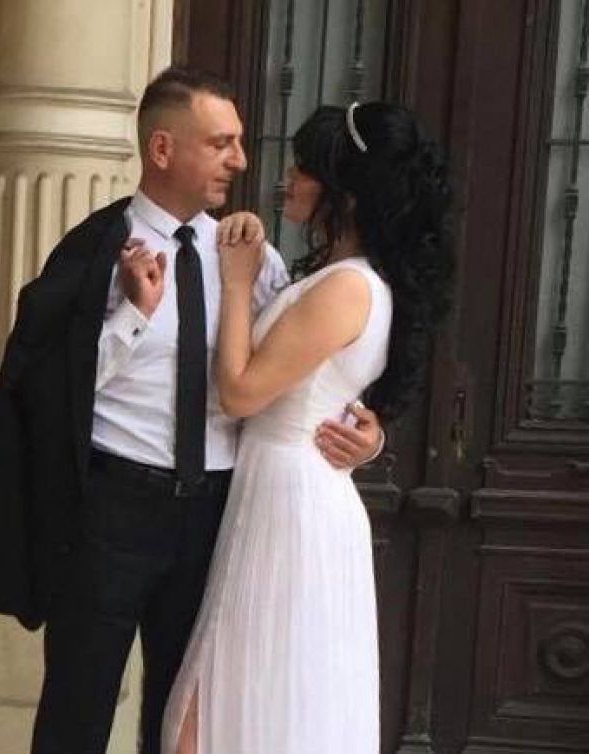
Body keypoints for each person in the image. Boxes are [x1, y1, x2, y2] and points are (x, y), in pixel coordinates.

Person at [0, 67, 385, 754]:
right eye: (221, 143)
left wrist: (368, 432)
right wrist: (133, 316)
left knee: (184, 717)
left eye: (238, 142)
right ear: (163, 149)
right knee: (79, 702)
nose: (240, 160)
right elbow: (50, 392)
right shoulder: (96, 251)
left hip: (218, 515)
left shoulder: (252, 258)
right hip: (112, 510)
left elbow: (298, 371)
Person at [162, 102, 454, 754]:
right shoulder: (337, 278)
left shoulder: (347, 288)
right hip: (278, 489)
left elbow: (241, 392)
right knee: (231, 705)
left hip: (289, 505)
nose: (285, 179)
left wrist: (237, 284)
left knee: (220, 715)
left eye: (303, 169)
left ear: (345, 191)